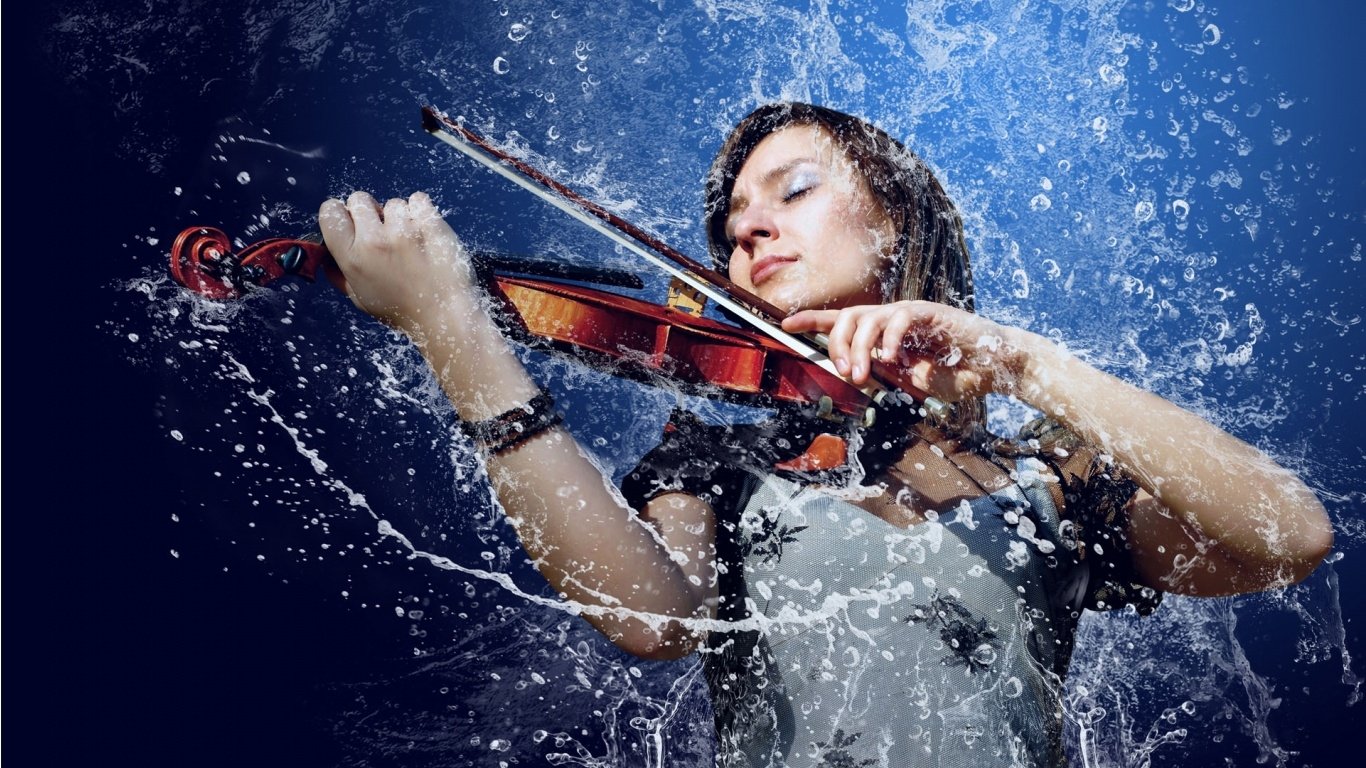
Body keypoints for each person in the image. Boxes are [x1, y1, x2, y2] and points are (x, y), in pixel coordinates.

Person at [316, 103, 1332, 767]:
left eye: (793, 190)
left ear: (897, 221)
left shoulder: (1044, 479)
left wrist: (1023, 364)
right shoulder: (719, 465)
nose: (746, 229)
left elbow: (1288, 534)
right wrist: (452, 331)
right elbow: (648, 620)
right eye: (733, 224)